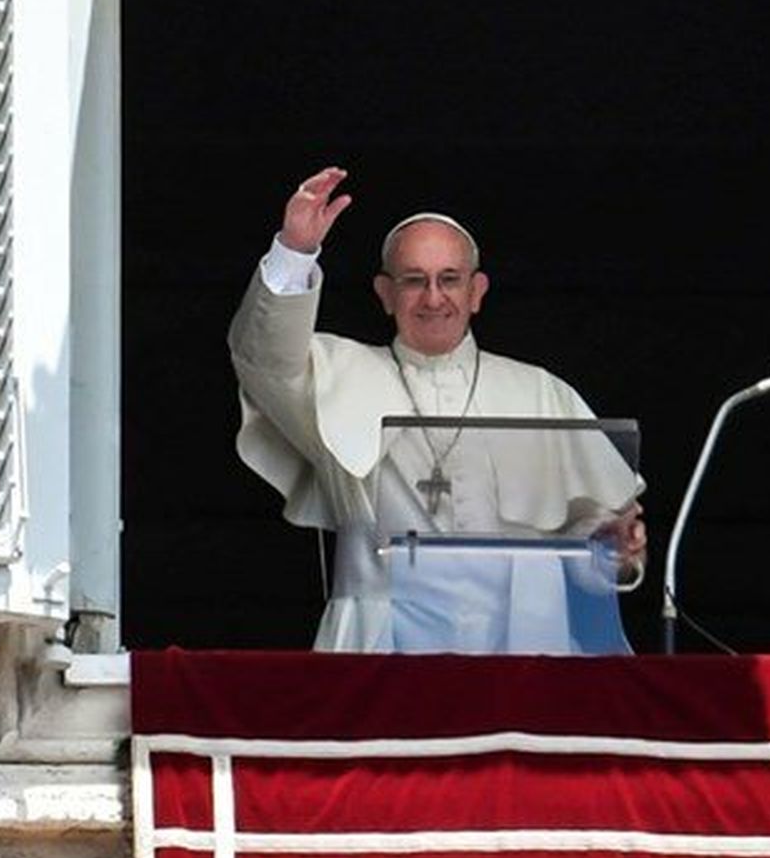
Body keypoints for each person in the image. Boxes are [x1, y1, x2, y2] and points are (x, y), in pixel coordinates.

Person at [229, 165, 647, 652]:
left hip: (523, 643)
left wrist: (611, 548)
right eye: (414, 280)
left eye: (449, 279)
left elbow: (588, 547)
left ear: (476, 291)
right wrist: (295, 251)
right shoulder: (336, 375)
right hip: (383, 644)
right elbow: (263, 360)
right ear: (386, 294)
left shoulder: (539, 390)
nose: (433, 297)